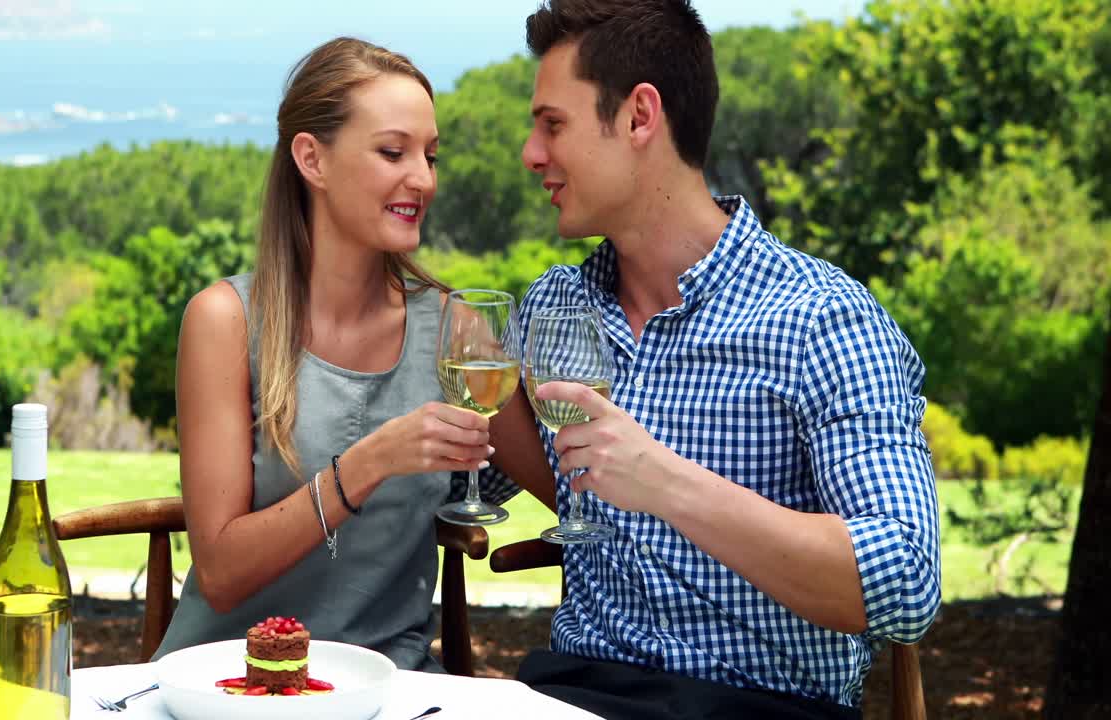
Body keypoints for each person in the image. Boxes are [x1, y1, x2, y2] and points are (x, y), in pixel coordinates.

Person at [506, 1, 942, 717]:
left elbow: (905, 585)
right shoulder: (560, 306)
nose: (531, 152)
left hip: (757, 705)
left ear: (641, 117)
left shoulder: (821, 319)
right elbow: (464, 481)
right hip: (572, 695)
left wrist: (666, 484)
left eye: (553, 124)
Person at [152, 37, 551, 671]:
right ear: (312, 159)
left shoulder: (458, 331)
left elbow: (570, 492)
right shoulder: (225, 322)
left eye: (430, 155)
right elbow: (222, 571)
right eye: (393, 152)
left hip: (395, 695)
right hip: (222, 686)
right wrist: (370, 463)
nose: (421, 178)